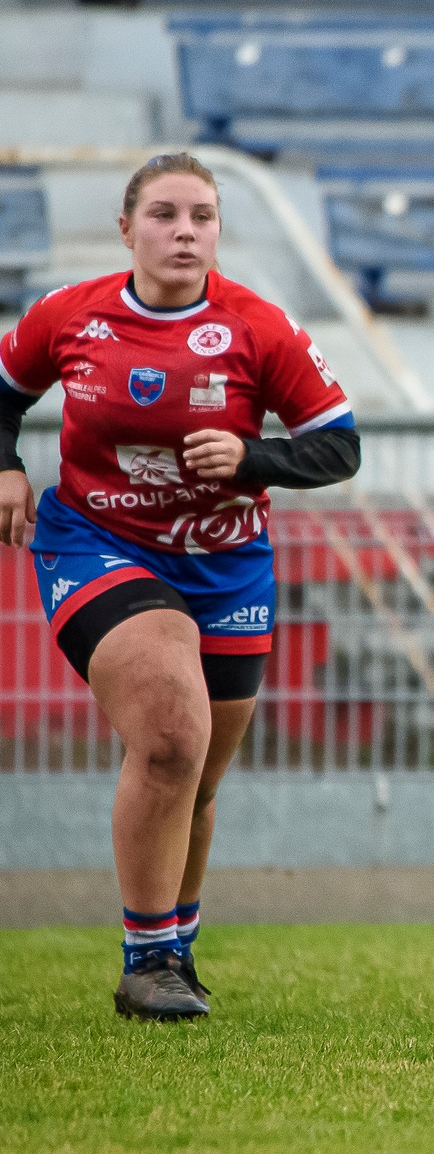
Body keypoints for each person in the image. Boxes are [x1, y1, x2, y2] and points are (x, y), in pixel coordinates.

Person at [0, 152, 360, 1021]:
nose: (184, 231)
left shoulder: (258, 327)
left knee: (195, 776)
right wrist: (6, 465)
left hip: (227, 563)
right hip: (98, 543)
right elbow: (2, 391)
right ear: (127, 229)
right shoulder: (68, 314)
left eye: (201, 215)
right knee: (168, 732)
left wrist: (251, 458)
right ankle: (148, 955)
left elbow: (339, 445)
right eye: (164, 214)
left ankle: (174, 951)